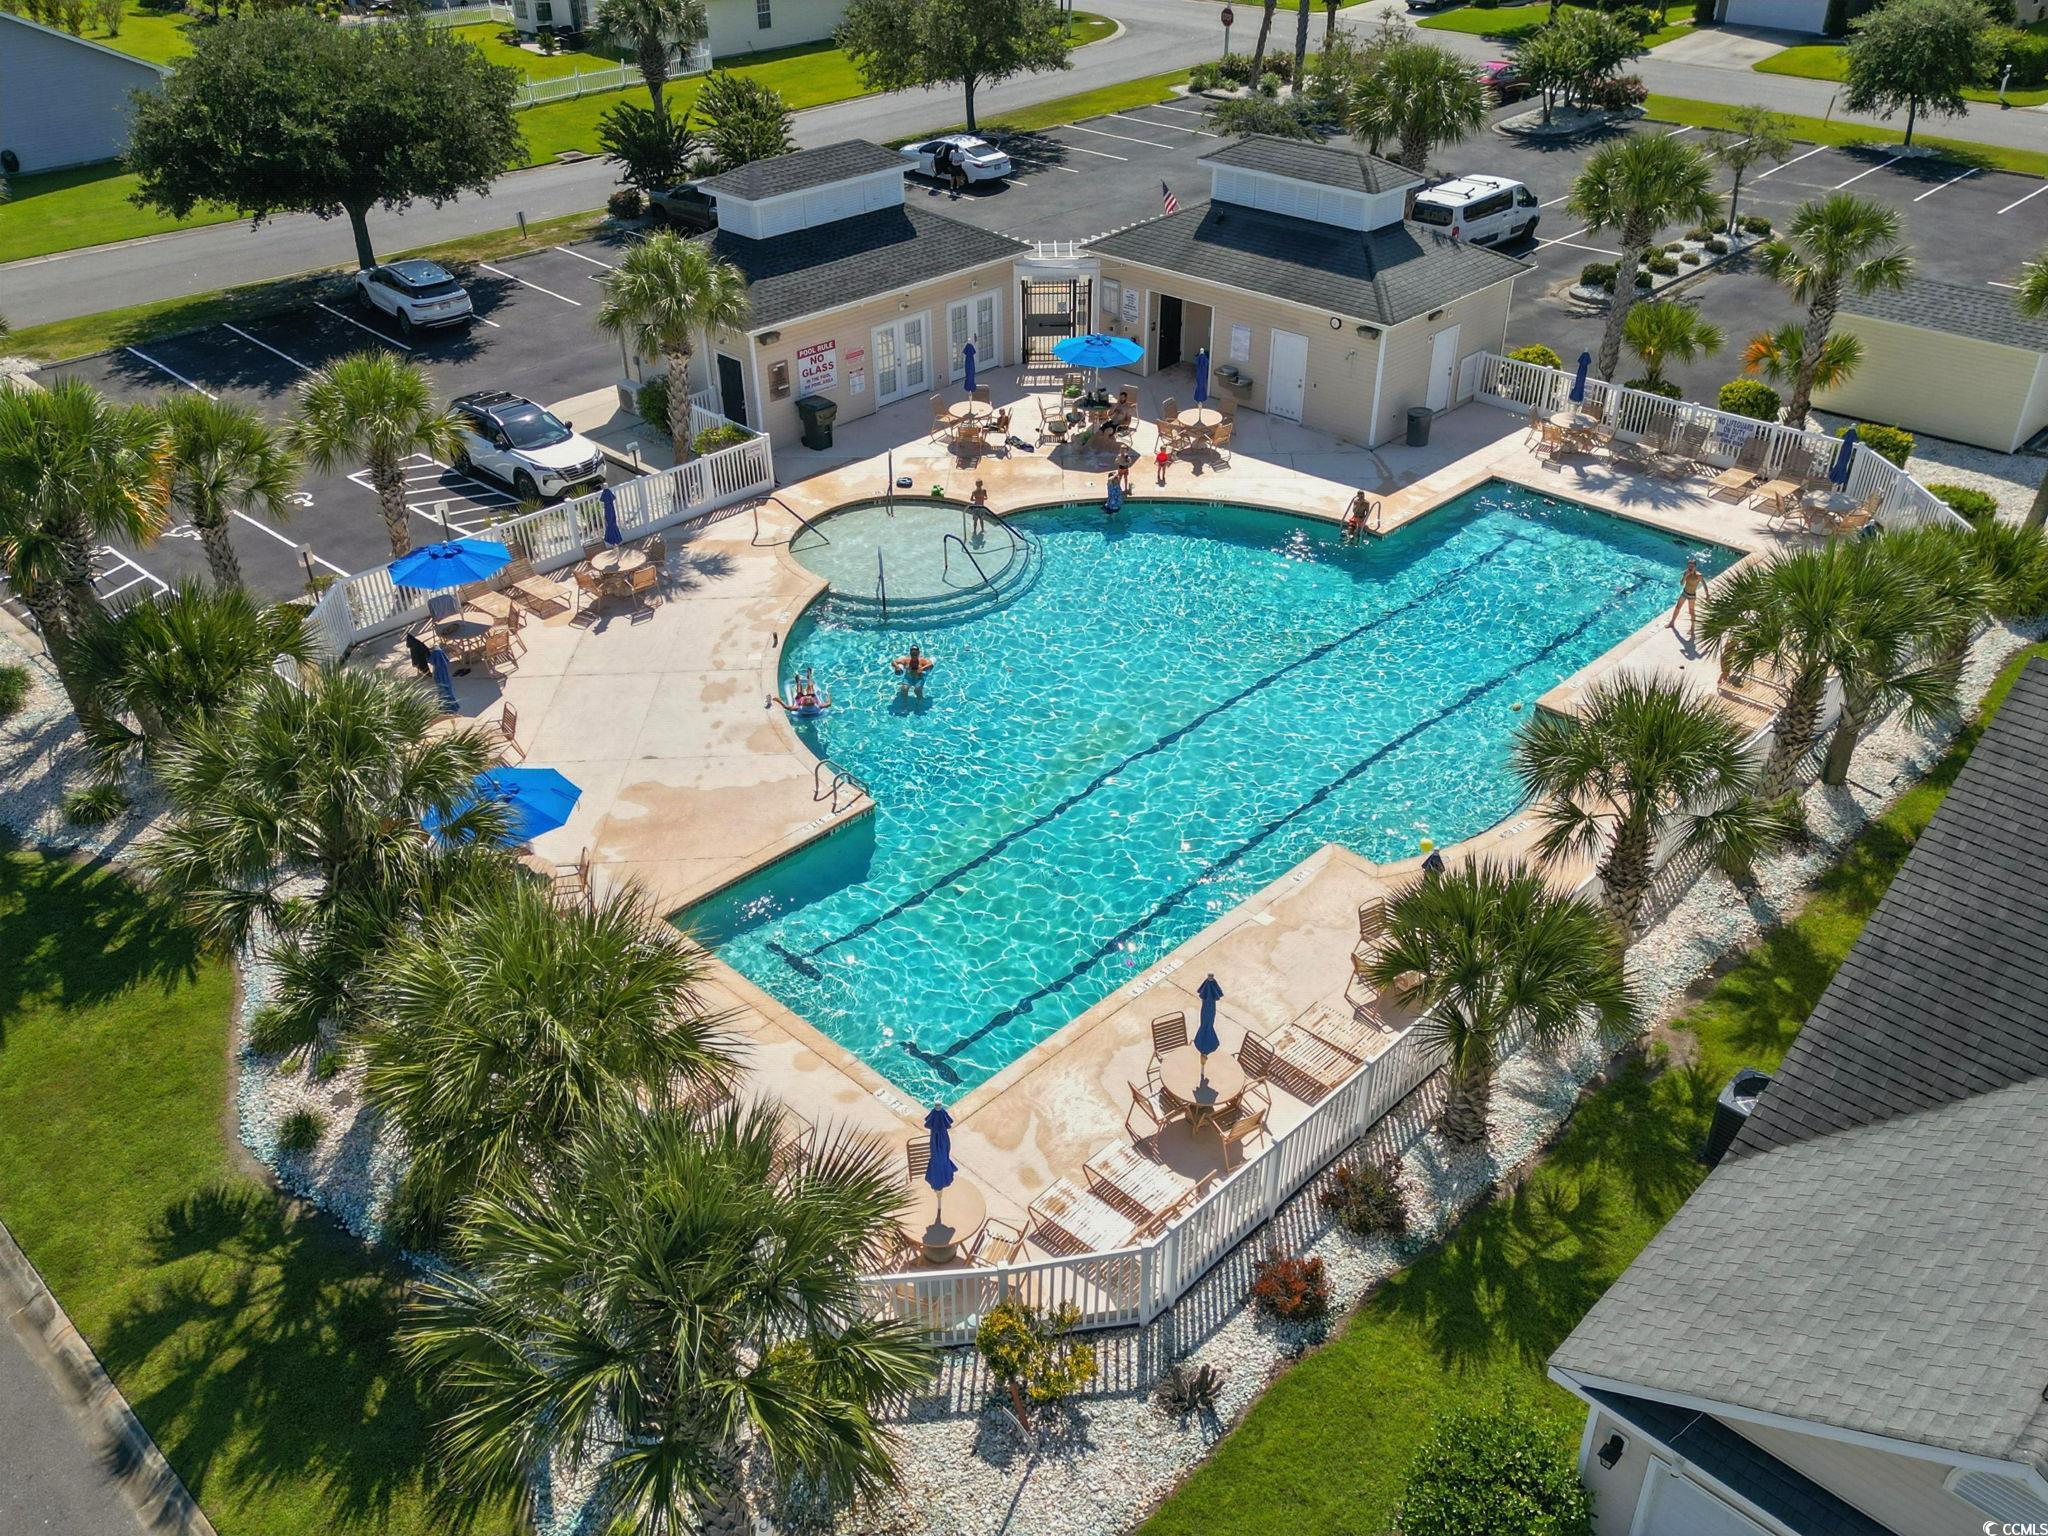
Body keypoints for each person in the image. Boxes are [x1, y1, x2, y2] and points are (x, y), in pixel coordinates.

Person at [1670, 554, 1708, 641]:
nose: (1690, 567)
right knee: (1677, 607)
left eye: (1692, 566)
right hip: (1684, 593)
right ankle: (1672, 622)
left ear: (1695, 566)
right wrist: (1686, 575)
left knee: (1691, 611)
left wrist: (1707, 595)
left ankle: (1692, 629)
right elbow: (1682, 583)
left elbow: (1704, 585)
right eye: (1689, 566)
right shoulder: (1686, 572)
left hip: (1692, 595)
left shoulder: (1699, 575)